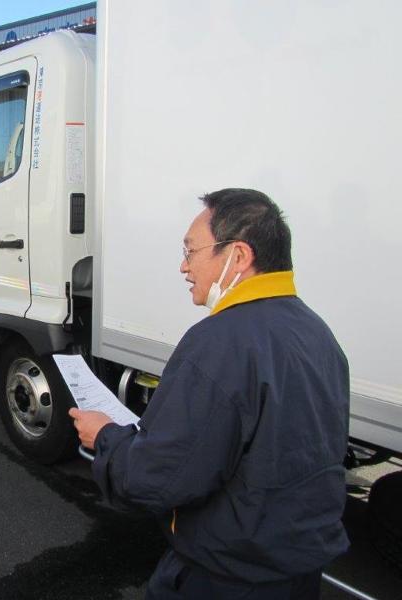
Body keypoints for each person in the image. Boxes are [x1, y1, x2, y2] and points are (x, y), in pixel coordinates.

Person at [70, 189, 350, 599]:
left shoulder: (220, 342)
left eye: (191, 251)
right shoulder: (316, 331)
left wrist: (106, 436)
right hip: (296, 567)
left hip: (228, 575)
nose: (184, 267)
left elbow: (160, 477)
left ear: (238, 257)